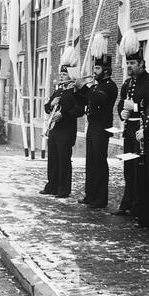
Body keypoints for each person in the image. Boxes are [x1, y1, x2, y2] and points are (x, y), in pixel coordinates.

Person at [74, 33, 118, 209]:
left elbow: (97, 99)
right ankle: (90, 194)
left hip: (102, 127)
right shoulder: (96, 86)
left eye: (98, 69)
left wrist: (83, 87)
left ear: (106, 71)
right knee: (90, 161)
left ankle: (100, 198)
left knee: (99, 161)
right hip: (92, 126)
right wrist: (77, 91)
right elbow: (85, 100)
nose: (94, 72)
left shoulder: (109, 86)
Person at [40, 47, 84, 198]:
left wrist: (63, 114)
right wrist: (52, 103)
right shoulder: (58, 91)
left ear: (70, 75)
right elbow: (46, 108)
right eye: (61, 73)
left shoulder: (75, 92)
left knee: (64, 160)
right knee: (52, 159)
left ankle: (63, 189)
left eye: (64, 74)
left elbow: (79, 110)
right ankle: (51, 186)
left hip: (66, 130)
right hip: (54, 129)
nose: (62, 76)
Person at [119, 29, 149, 226]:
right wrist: (122, 112)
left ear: (141, 64)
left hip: (142, 130)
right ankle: (127, 204)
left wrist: (136, 107)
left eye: (132, 63)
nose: (129, 66)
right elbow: (121, 103)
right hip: (129, 130)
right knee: (128, 169)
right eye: (128, 63)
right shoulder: (128, 82)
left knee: (140, 171)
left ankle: (139, 207)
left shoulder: (148, 81)